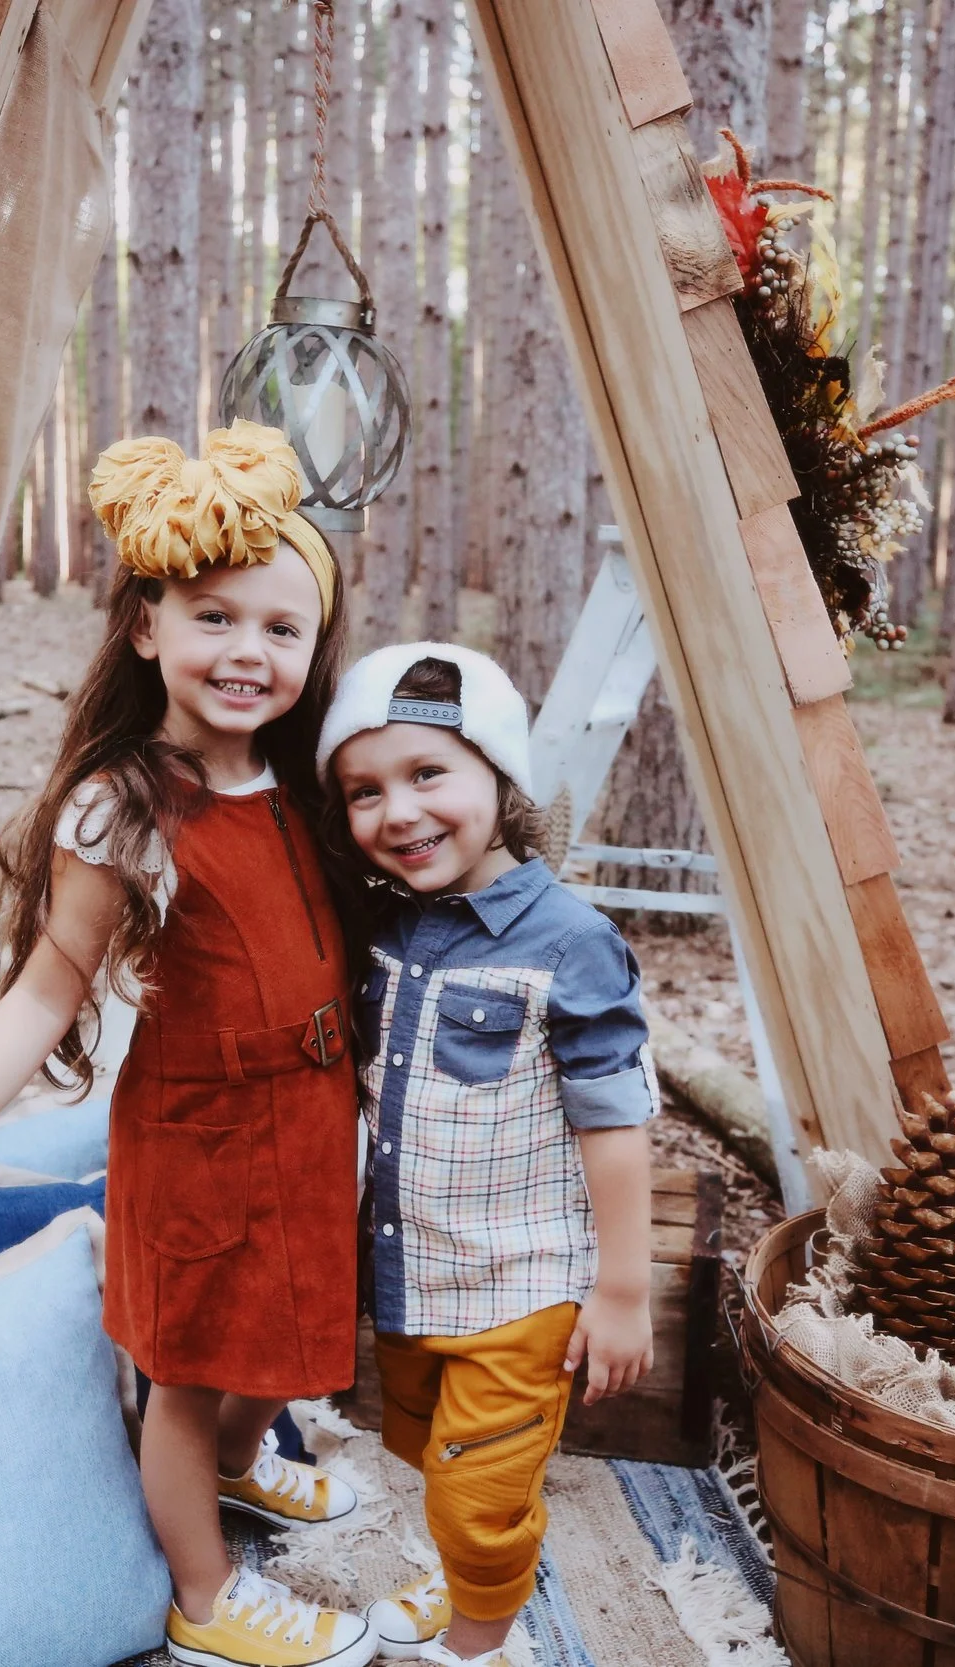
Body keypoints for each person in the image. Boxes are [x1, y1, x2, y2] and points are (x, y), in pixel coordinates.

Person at [0, 423, 380, 1667]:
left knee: (284, 1327)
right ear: (146, 627)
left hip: (310, 1114)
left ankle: (242, 1466)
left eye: (279, 630)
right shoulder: (124, 807)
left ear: (311, 651)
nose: (246, 651)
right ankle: (205, 1593)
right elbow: (47, 986)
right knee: (187, 1366)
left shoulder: (305, 782)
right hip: (201, 1129)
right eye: (213, 617)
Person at [316, 645, 656, 1667]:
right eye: (363, 791)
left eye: (429, 774)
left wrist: (625, 1287)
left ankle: (478, 1646)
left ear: (498, 778)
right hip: (413, 1270)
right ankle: (464, 1579)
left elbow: (614, 1117)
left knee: (477, 1495)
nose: (398, 812)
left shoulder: (568, 940)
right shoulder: (386, 922)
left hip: (522, 1285)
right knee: (421, 1451)